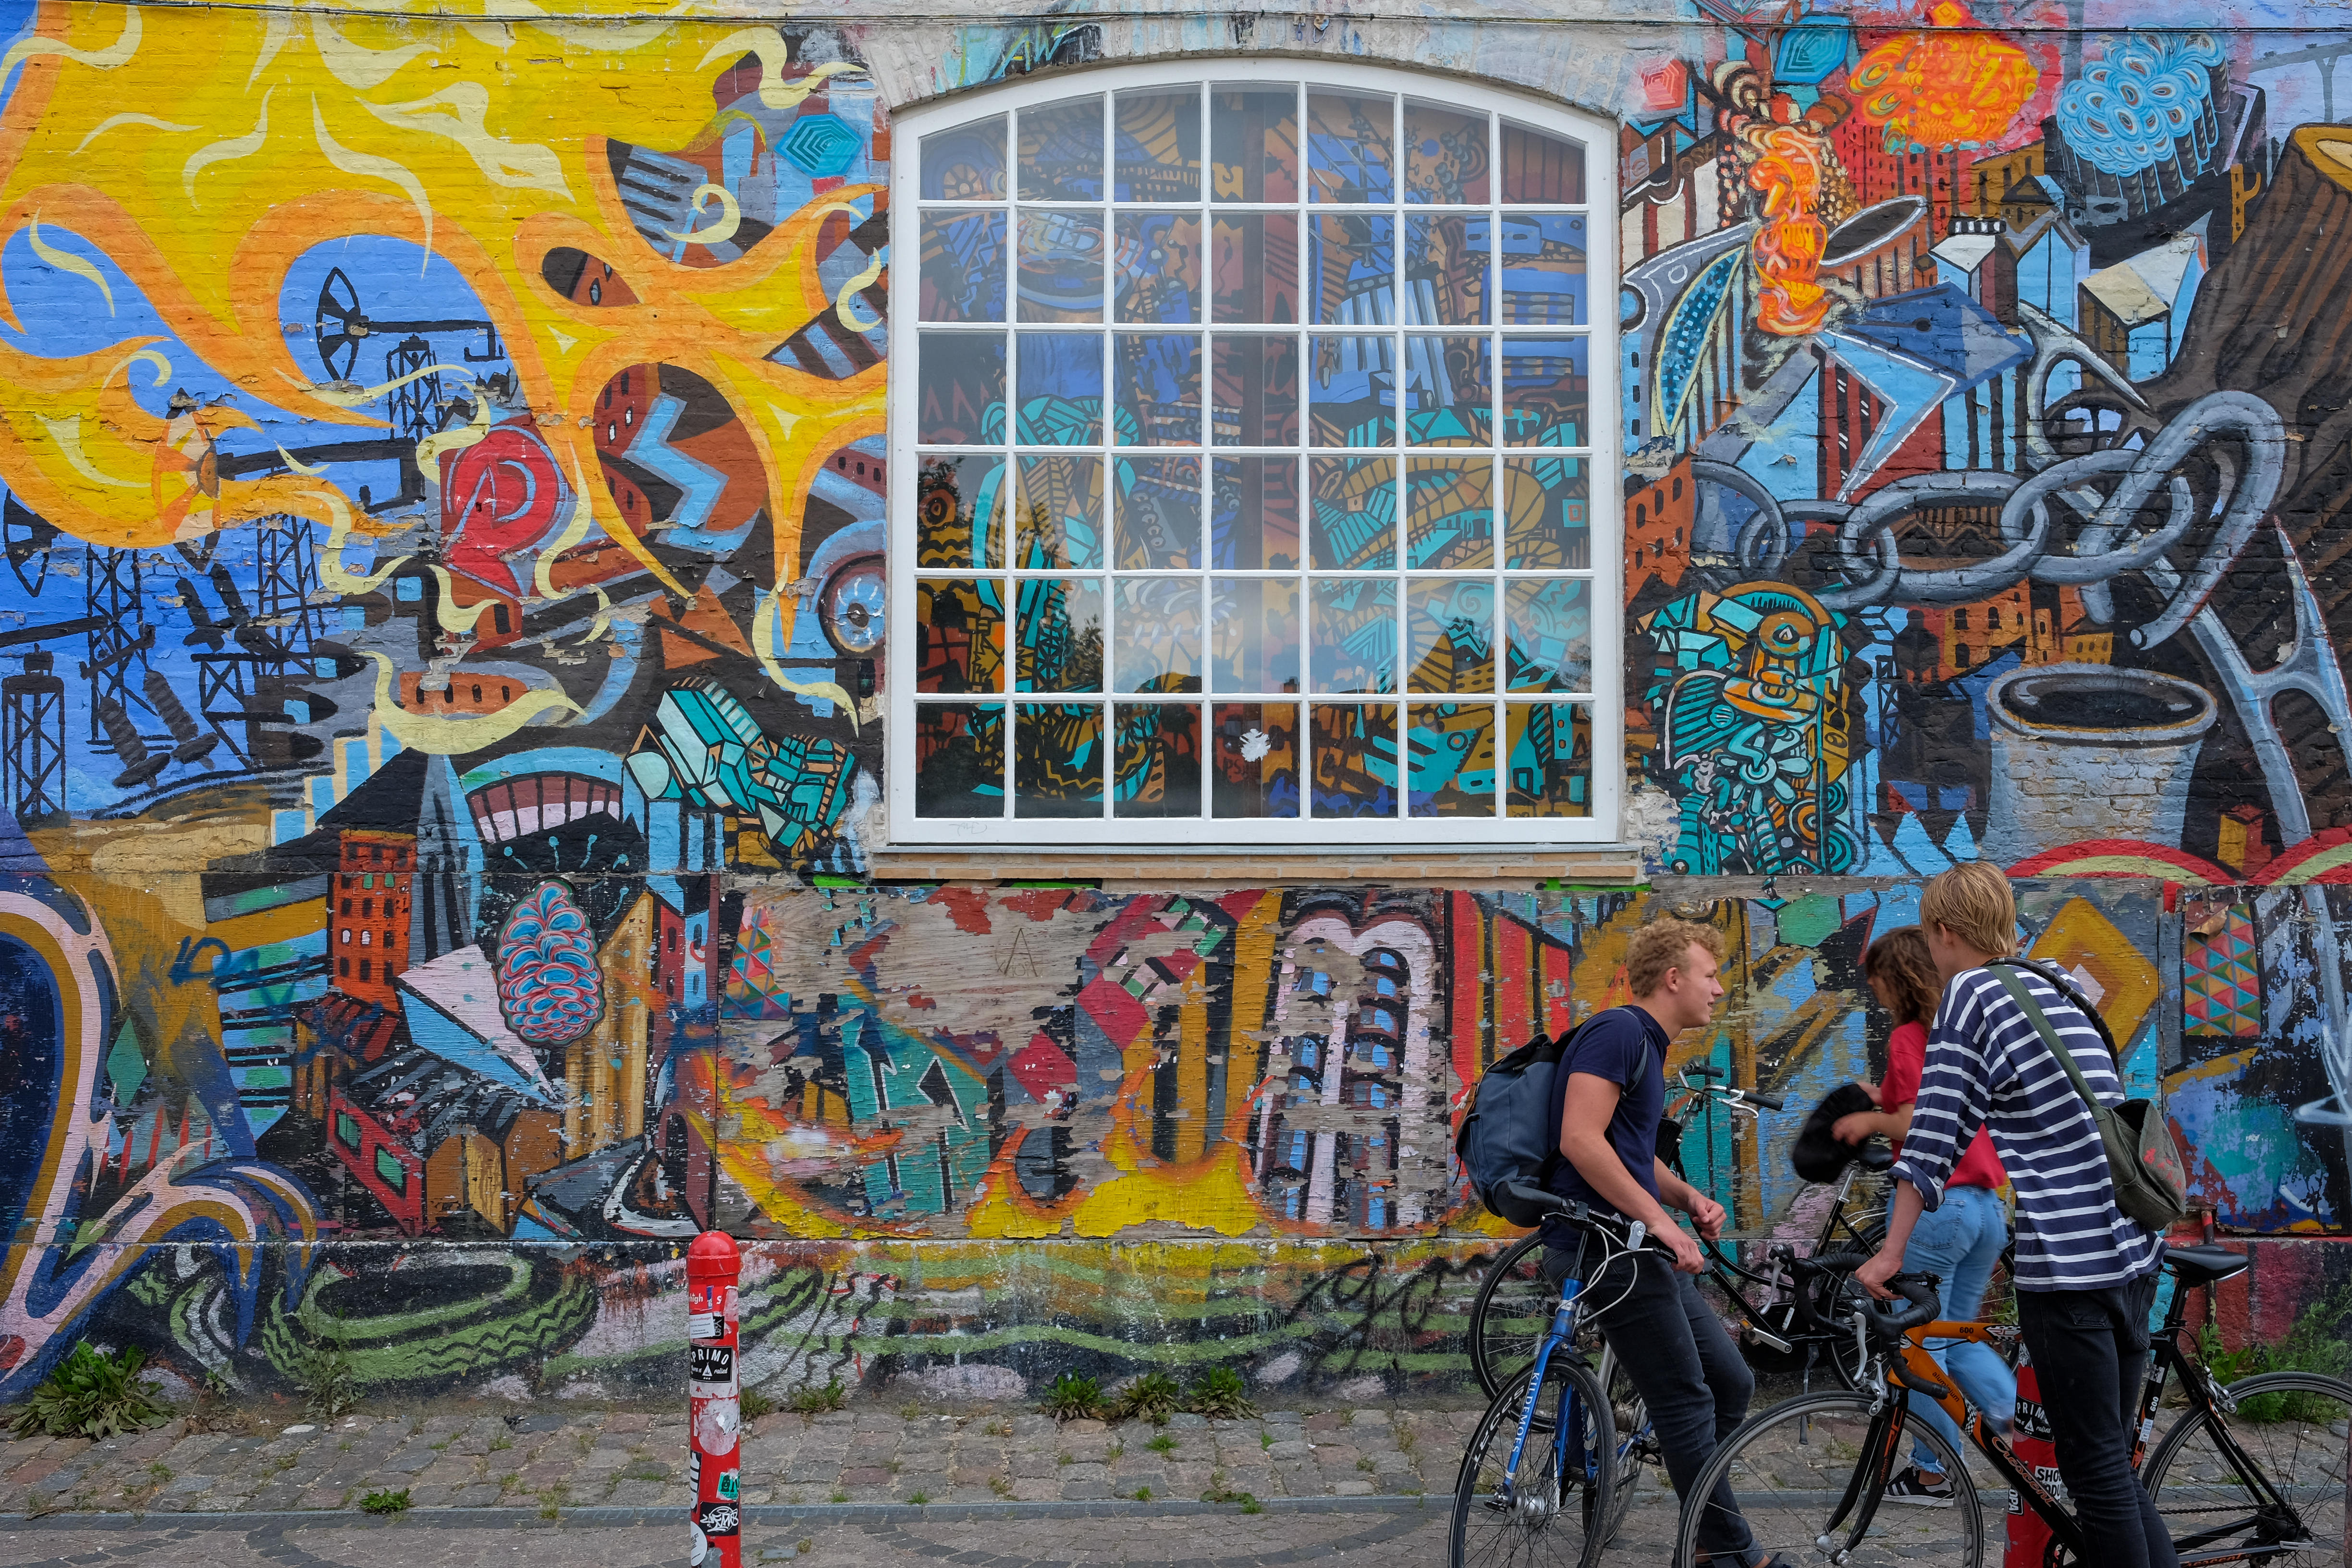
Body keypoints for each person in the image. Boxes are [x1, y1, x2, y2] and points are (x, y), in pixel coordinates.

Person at [1855, 864, 2171, 1568]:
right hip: (2129, 1255)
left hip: (2070, 1266)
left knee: (2091, 1472)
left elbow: (1932, 1136)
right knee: (2110, 1466)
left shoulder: (1971, 991)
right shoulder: (2055, 982)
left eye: (1931, 936)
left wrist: (1888, 1253)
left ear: (1944, 931)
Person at [1543, 918, 1776, 1568]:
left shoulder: (1646, 1044)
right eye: (1710, 975)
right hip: (1602, 1250)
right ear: (1673, 978)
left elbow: (1631, 1157)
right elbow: (1580, 1140)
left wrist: (1686, 1200)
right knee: (1684, 1398)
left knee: (1729, 1384)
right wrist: (1665, 1225)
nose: (1720, 988)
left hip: (1636, 1245)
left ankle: (1707, 1527)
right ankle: (1734, 1552)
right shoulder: (1619, 1032)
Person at [1833, 924, 2017, 1506]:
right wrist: (1870, 1096)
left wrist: (1868, 1124)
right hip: (1986, 1209)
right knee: (1955, 1338)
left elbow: (1916, 1123)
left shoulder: (1912, 1036)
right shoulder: (1960, 1035)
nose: (1875, 993)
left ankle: (1934, 1472)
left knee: (1917, 1346)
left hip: (1939, 1208)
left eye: (1877, 982)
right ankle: (2023, 1425)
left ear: (1898, 977)